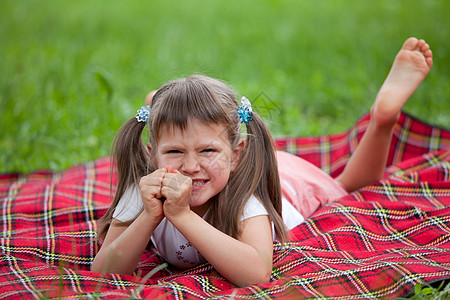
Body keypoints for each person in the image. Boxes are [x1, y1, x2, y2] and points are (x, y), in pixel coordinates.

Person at [91, 37, 433, 287]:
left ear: (236, 153)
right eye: (175, 152)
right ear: (152, 155)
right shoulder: (148, 191)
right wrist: (151, 215)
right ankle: (169, 106)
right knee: (190, 134)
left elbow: (256, 273)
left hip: (291, 184)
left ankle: (383, 118)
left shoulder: (246, 199)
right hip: (228, 167)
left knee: (347, 187)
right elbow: (104, 270)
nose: (190, 167)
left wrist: (180, 215)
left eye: (206, 151)